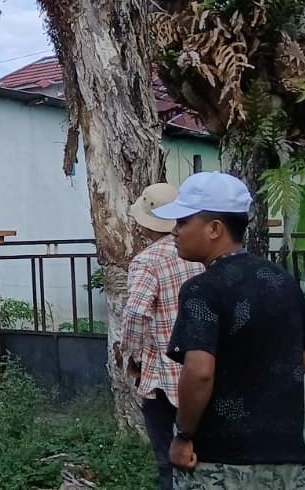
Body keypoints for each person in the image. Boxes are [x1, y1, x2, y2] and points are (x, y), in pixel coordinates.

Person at [153, 172, 305, 489]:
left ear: (214, 229)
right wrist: (264, 385)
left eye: (182, 222)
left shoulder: (202, 289)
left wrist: (184, 435)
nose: (174, 231)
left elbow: (200, 372)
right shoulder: (281, 281)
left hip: (221, 463)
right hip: (287, 462)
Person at [112, 183, 205, 490]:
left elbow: (136, 313)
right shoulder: (202, 254)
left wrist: (131, 357)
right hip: (206, 372)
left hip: (165, 377)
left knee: (169, 461)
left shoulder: (148, 260)